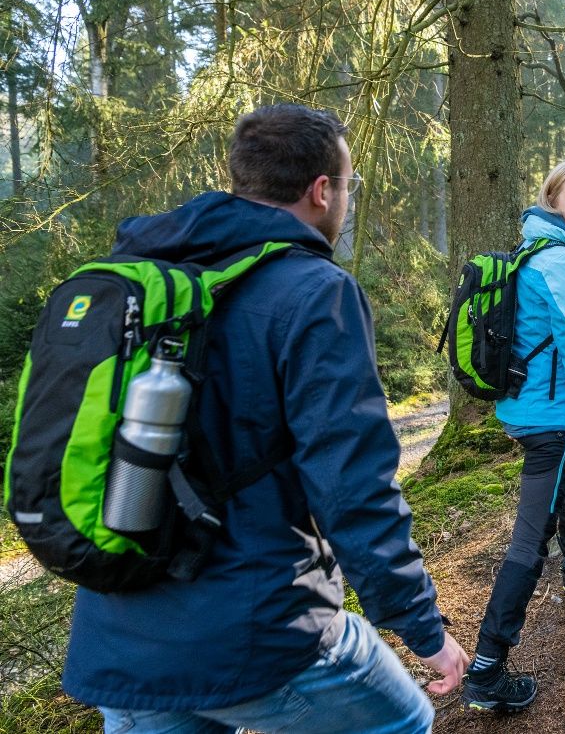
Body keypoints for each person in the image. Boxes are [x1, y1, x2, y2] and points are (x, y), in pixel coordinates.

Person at [61, 104, 468, 733]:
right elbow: (352, 485)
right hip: (257, 629)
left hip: (122, 633)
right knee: (404, 720)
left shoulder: (152, 276)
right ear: (322, 190)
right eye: (349, 186)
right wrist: (422, 626)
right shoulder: (316, 292)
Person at [461, 156, 565, 713]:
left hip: (527, 407)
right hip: (547, 419)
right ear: (553, 201)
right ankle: (487, 670)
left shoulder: (539, 247)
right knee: (530, 541)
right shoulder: (561, 261)